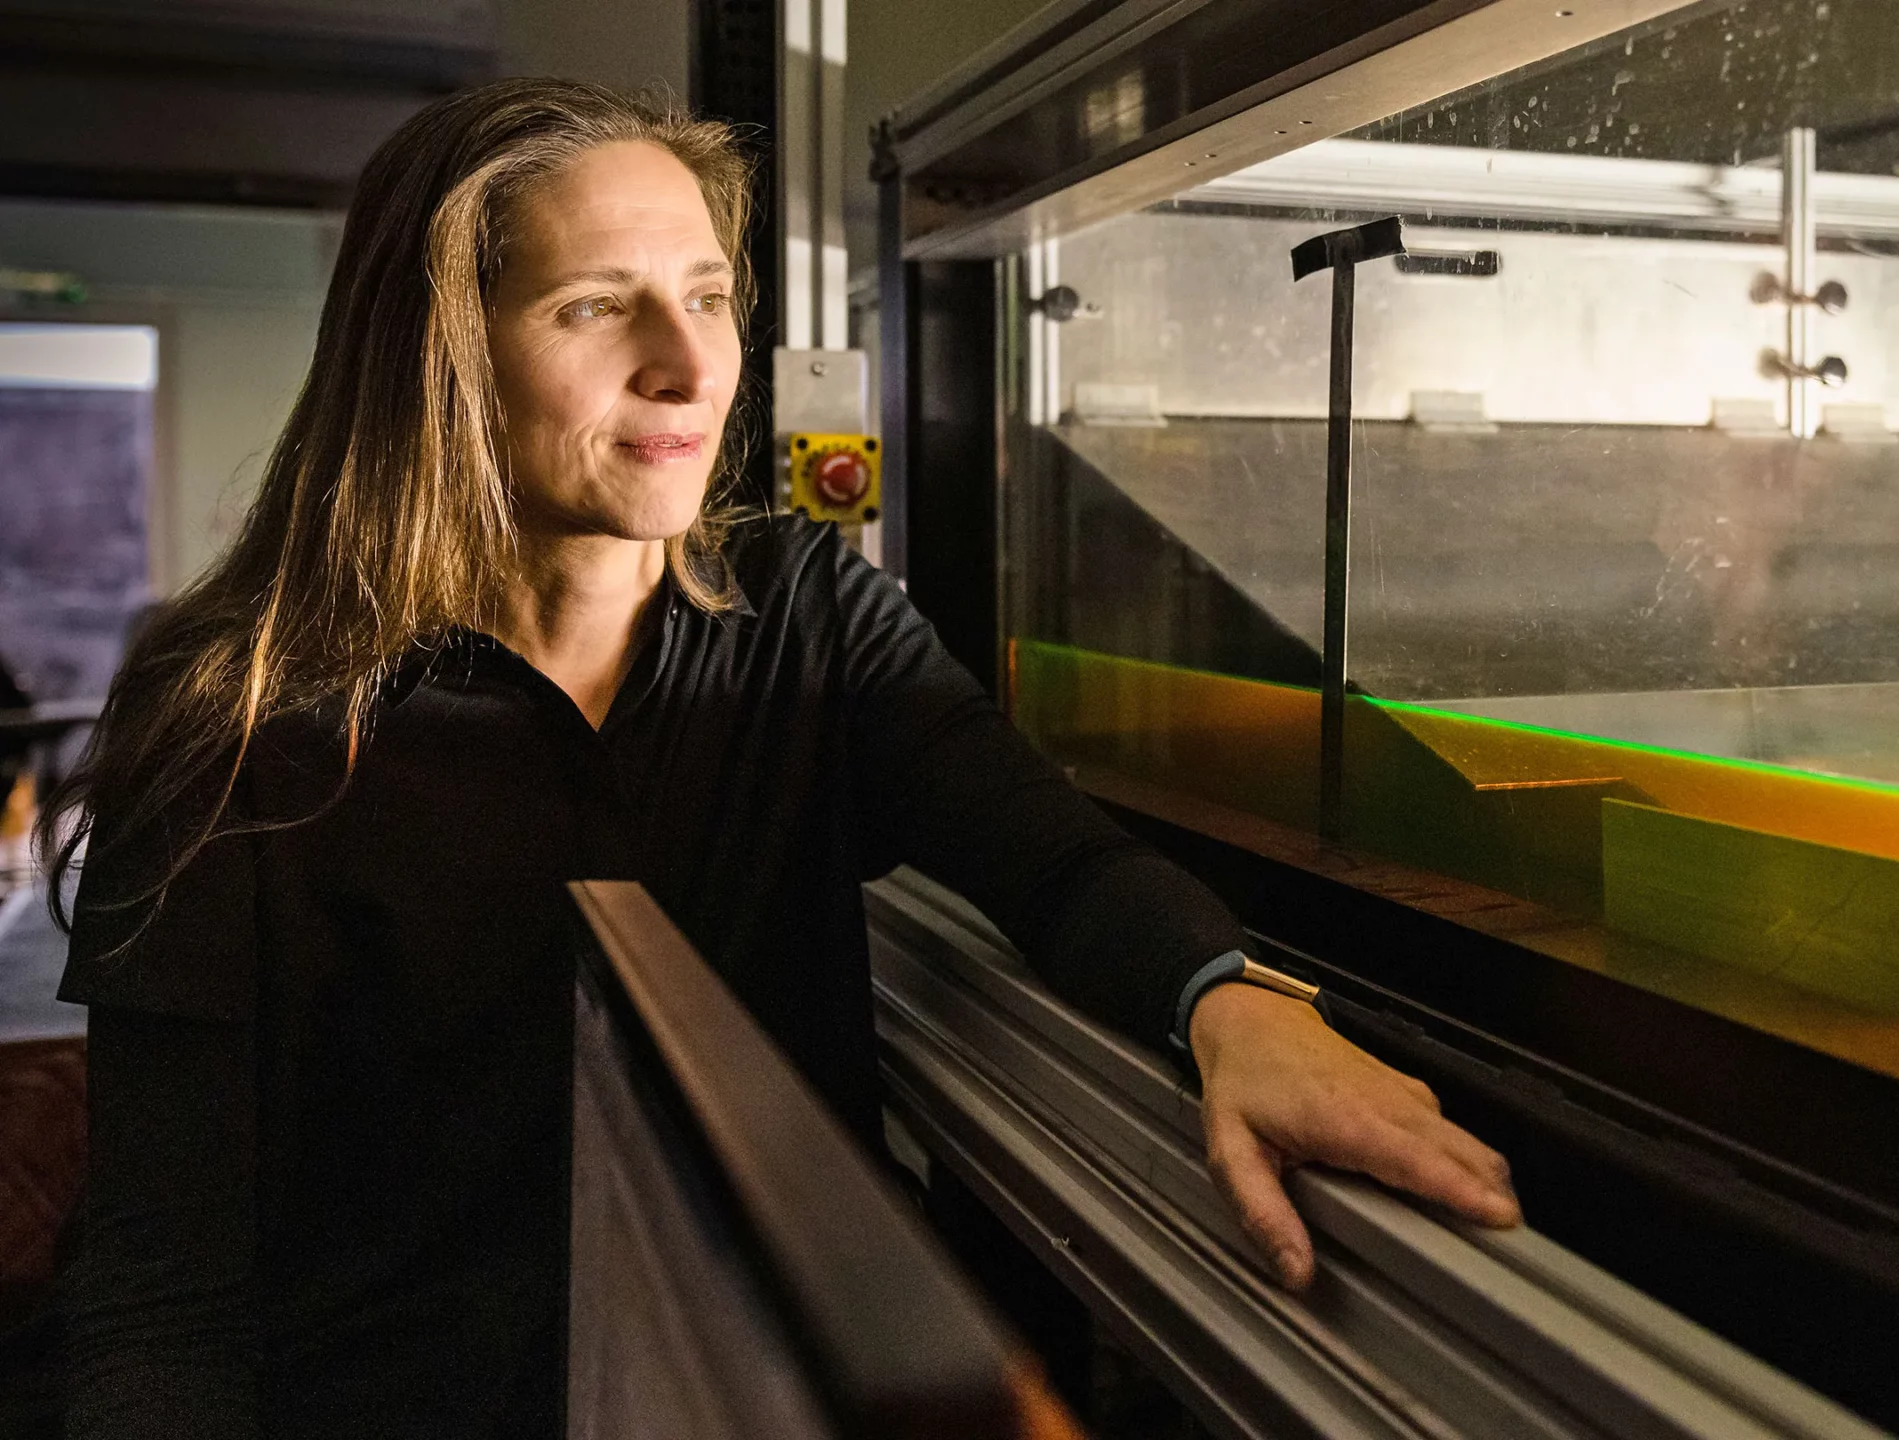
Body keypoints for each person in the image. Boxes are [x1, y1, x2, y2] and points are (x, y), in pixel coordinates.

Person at [43, 79, 1517, 1439]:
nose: (691, 369)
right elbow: (165, 1298)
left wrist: (1233, 1008)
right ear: (437, 356)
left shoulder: (808, 619)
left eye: (704, 297)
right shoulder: (234, 715)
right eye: (593, 308)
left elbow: (1053, 861)